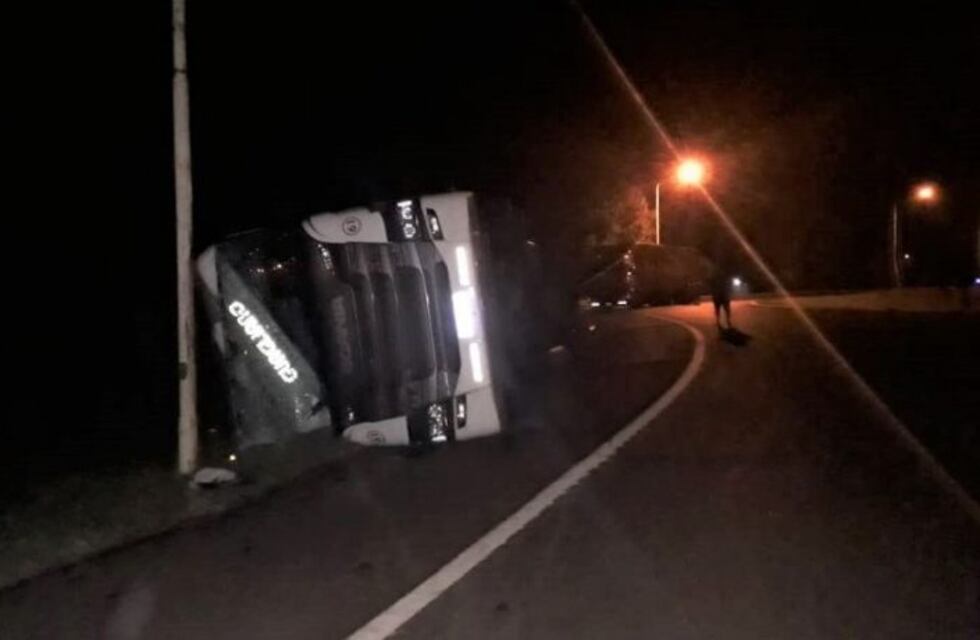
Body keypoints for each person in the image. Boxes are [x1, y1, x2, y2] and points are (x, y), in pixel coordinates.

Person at [709, 266, 733, 330]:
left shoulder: (716, 278)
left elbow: (712, 286)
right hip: (721, 296)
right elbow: (728, 286)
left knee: (722, 309)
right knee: (724, 309)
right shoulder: (723, 277)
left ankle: (723, 320)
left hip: (720, 296)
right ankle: (725, 320)